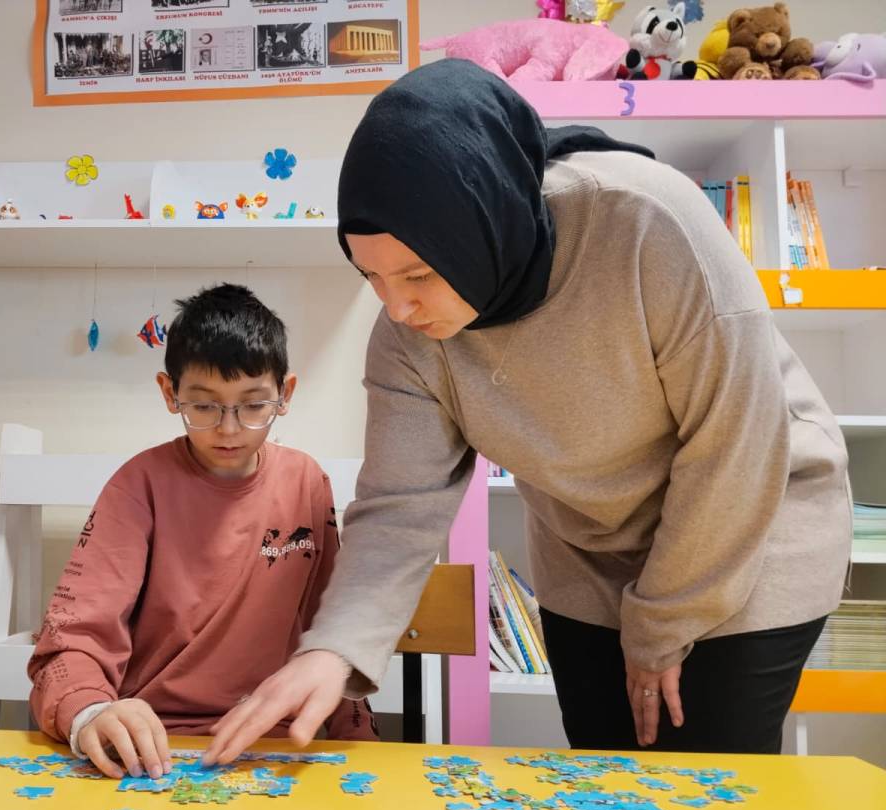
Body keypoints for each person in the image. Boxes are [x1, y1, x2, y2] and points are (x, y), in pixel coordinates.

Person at [205, 59, 850, 764]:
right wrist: (331, 651)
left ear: (482, 228)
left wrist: (663, 624)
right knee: (603, 780)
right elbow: (398, 508)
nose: (398, 307)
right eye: (372, 276)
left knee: (705, 782)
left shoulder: (647, 222)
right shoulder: (405, 336)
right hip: (591, 553)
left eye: (419, 274)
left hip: (750, 524)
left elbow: (736, 445)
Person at [29, 284, 376, 778]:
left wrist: (361, 743)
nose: (228, 429)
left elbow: (333, 630)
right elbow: (73, 634)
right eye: (205, 406)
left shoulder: (307, 481)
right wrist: (90, 712)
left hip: (274, 745)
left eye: (253, 405)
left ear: (285, 394)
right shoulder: (138, 484)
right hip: (149, 746)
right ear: (169, 393)